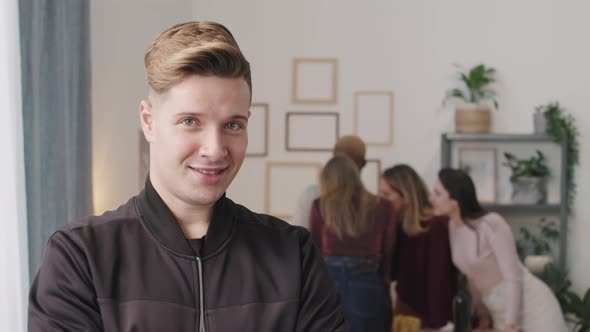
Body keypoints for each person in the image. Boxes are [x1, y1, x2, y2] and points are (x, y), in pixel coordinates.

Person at [28, 21, 347, 331]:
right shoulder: (80, 257)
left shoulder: (293, 256)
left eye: (232, 125)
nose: (215, 149)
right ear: (149, 121)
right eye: (191, 121)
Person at [430, 168, 568, 332]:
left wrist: (511, 323)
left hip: (532, 306)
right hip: (499, 309)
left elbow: (512, 277)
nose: (431, 199)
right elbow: (472, 276)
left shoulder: (491, 224)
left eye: (437, 194)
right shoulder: (453, 227)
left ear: (455, 199)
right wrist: (482, 314)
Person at [309, 155, 397, 332]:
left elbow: (315, 252)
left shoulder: (320, 205)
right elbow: (389, 253)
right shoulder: (383, 206)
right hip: (368, 281)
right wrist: (385, 288)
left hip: (329, 283)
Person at [379, 164, 455, 329]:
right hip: (406, 310)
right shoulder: (397, 226)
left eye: (386, 194)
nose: (381, 200)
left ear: (406, 196)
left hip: (428, 317)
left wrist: (438, 324)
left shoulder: (434, 226)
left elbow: (439, 281)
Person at [291, 135, 366, 228]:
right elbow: (300, 236)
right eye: (338, 160)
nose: (343, 167)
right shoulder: (312, 195)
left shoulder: (372, 205)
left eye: (348, 163)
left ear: (363, 164)